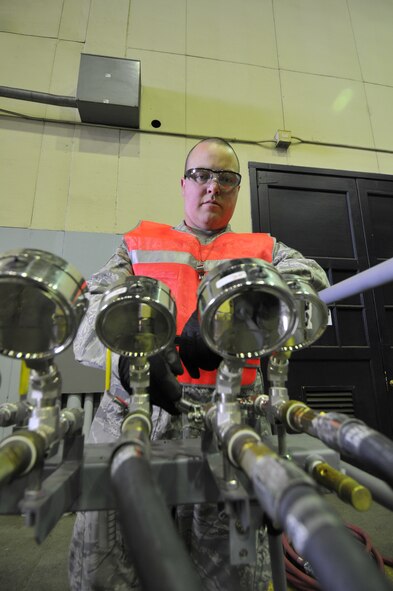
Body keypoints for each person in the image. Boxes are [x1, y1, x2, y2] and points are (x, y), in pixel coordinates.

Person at [68, 137, 329, 591]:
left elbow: (309, 287)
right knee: (109, 565)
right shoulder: (137, 245)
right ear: (184, 184)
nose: (213, 187)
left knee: (230, 568)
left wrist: (238, 317)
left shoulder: (267, 250)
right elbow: (92, 312)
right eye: (202, 175)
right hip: (135, 414)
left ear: (238, 188)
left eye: (226, 178)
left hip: (229, 419)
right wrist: (131, 360)